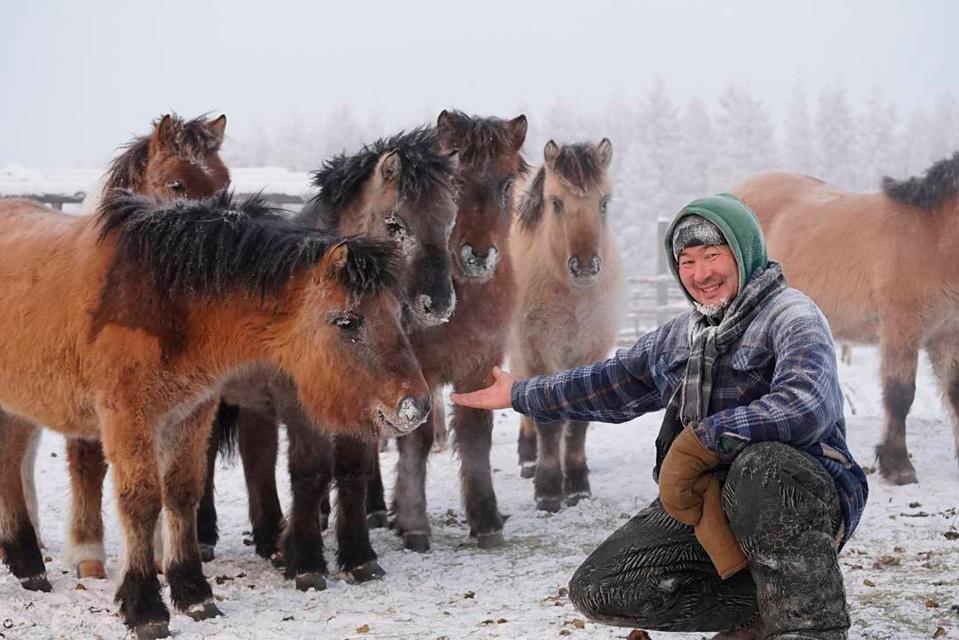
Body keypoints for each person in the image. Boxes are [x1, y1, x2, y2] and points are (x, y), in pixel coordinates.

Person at [451, 194, 868, 640]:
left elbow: (803, 406)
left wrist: (705, 440)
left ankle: (810, 627)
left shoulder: (791, 317)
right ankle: (759, 614)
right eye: (687, 261)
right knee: (600, 587)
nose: (701, 273)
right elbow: (609, 382)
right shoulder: (683, 337)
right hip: (713, 503)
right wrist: (520, 392)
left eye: (713, 255)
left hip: (802, 496)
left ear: (744, 252)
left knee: (762, 465)